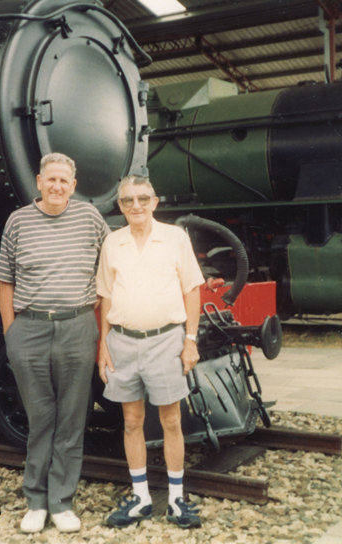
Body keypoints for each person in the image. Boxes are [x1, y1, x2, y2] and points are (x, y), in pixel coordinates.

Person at [97, 175, 222, 529]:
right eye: (127, 200)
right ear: (120, 206)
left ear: (155, 201)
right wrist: (103, 345)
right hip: (123, 342)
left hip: (166, 340)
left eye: (143, 198)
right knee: (132, 421)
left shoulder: (175, 238)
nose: (135, 205)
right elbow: (106, 295)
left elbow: (192, 290)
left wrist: (190, 340)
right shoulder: (113, 242)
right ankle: (141, 499)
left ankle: (177, 500)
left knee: (171, 421)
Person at [0, 152, 109, 533]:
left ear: (73, 186)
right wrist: (11, 333)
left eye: (64, 180)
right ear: (39, 182)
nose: (57, 186)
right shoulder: (18, 221)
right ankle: (35, 501)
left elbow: (112, 265)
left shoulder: (90, 218)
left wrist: (94, 303)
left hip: (77, 326)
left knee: (73, 416)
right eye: (51, 179)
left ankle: (61, 502)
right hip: (29, 329)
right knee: (40, 417)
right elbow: (5, 281)